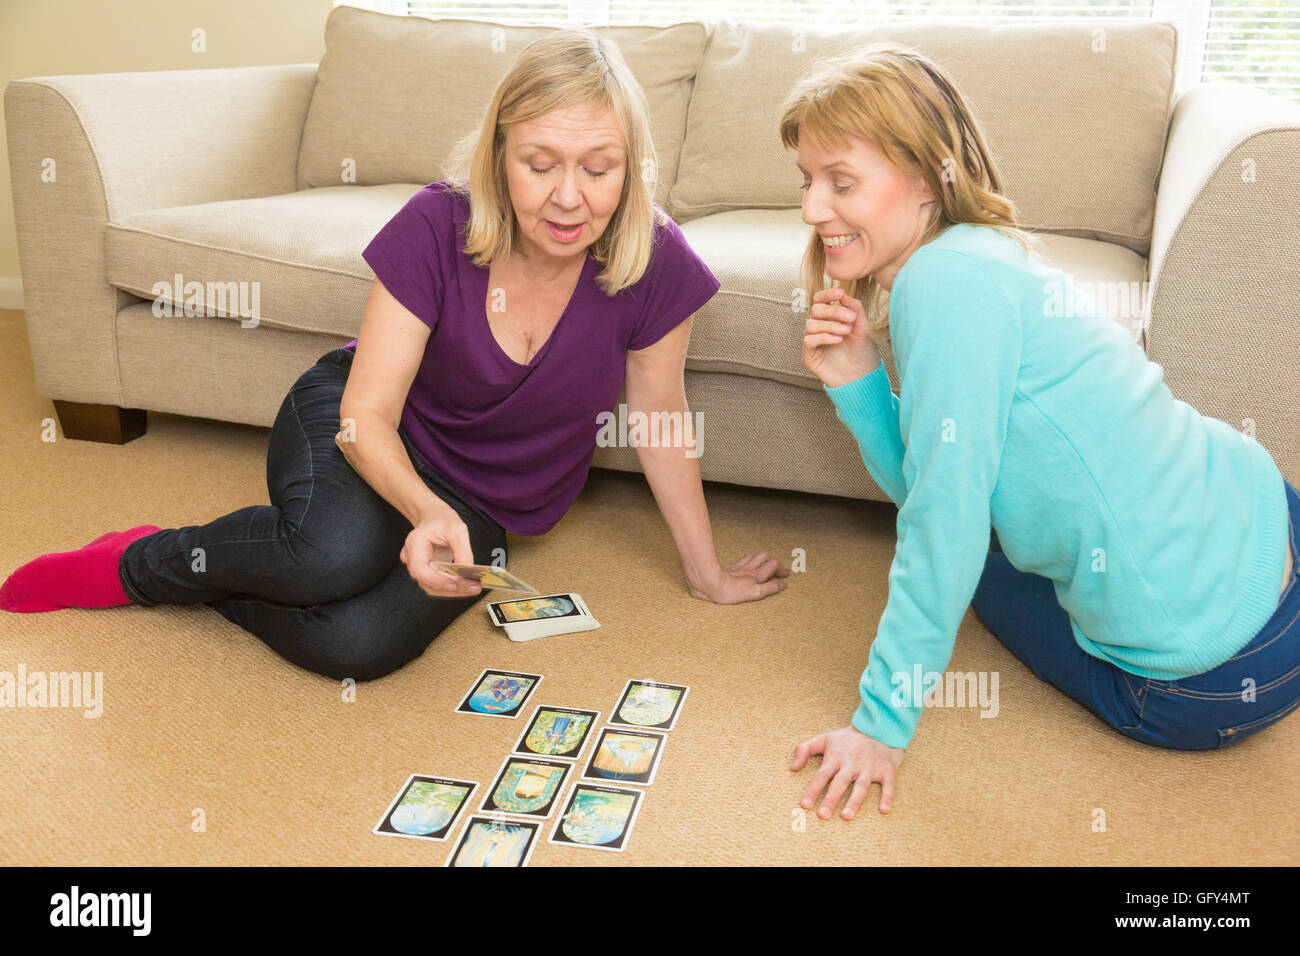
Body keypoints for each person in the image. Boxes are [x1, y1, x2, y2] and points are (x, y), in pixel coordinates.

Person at [0, 30, 790, 677]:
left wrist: (705, 571)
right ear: (499, 155)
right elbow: (366, 414)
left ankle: (224, 582)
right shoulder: (437, 225)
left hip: (487, 502)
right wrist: (422, 508)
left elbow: (657, 417)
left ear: (632, 166)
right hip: (359, 427)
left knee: (354, 648)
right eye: (540, 164)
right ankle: (137, 563)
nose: (570, 197)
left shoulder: (655, 258)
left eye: (600, 167)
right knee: (328, 557)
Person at [782, 43, 1300, 820]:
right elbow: (938, 476)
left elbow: (942, 520)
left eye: (841, 182)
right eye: (807, 181)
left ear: (927, 177)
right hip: (1274, 516)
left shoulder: (939, 282)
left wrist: (880, 726)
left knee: (981, 569)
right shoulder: (983, 253)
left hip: (1203, 683)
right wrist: (859, 381)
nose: (813, 208)